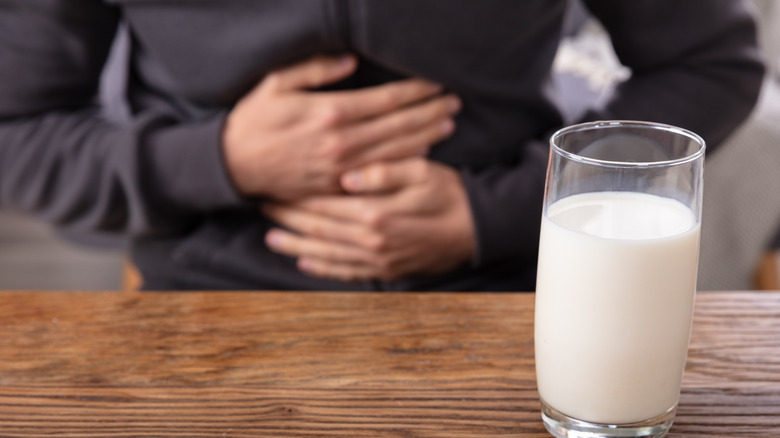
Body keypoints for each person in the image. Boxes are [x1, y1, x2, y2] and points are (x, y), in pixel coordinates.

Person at [0, 0, 765, 291]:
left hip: (504, 293)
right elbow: (16, 135)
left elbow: (713, 64)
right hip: (204, 298)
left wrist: (491, 215)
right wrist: (220, 158)